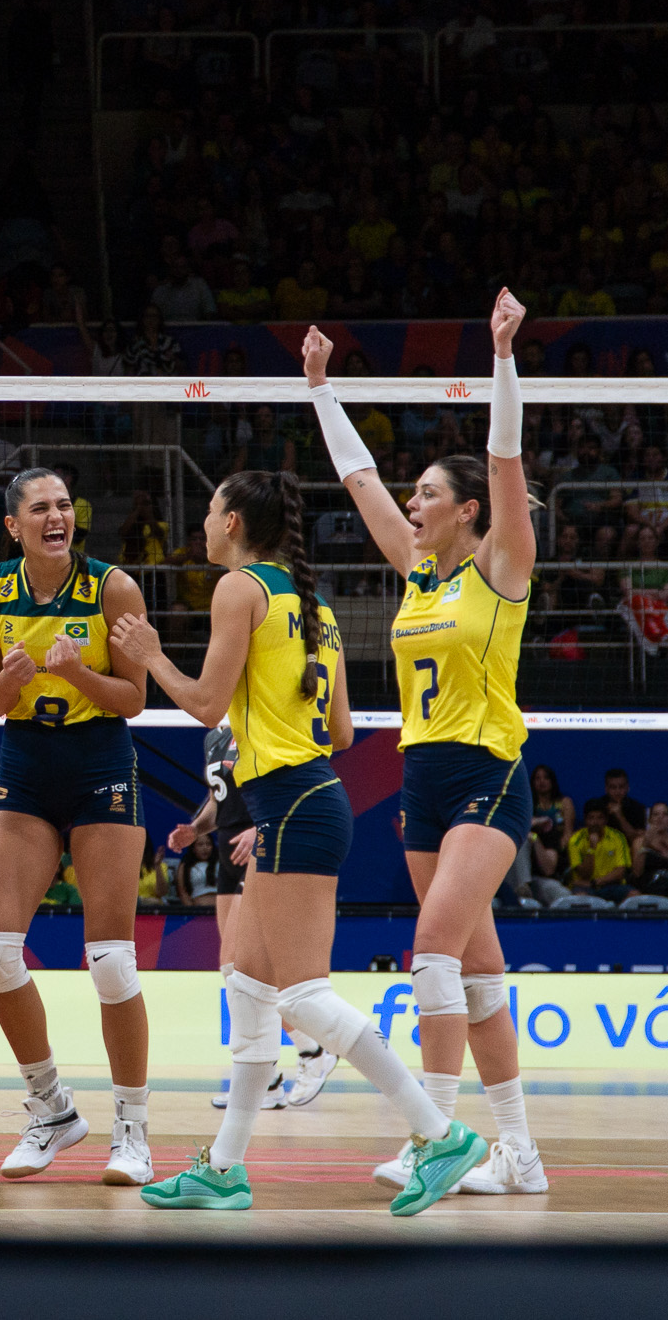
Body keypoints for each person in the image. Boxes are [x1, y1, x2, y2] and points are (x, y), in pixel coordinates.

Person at [112, 473, 485, 1216]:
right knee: (248, 989)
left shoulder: (239, 589)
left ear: (236, 522)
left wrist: (153, 654)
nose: (205, 525)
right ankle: (224, 1168)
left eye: (212, 510)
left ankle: (438, 1133)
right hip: (302, 798)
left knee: (304, 997)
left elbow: (206, 704)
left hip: (293, 805)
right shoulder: (311, 602)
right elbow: (342, 734)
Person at [307, 291, 546, 1197]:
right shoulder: (415, 574)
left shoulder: (502, 569)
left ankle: (436, 1137)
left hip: (489, 774)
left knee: (434, 951)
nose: (412, 504)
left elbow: (506, 458)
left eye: (429, 496)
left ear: (468, 511)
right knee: (479, 976)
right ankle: (519, 1154)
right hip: (424, 780)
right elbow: (360, 480)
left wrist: (501, 358)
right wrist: (323, 392)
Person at [0, 466, 153, 1186]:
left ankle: (131, 1127)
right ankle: (52, 1108)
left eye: (66, 504)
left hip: (101, 758)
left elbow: (134, 697)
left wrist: (75, 675)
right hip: (28, 763)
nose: (57, 516)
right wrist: (10, 680)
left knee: (110, 960)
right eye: (41, 507)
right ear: (14, 525)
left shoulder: (113, 589)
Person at [169, 719, 339, 1112]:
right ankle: (266, 1080)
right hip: (228, 851)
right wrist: (196, 828)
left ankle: (313, 1050)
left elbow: (281, 783)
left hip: (261, 846)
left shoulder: (262, 717)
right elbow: (218, 799)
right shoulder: (215, 735)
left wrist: (261, 829)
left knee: (250, 968)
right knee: (232, 968)